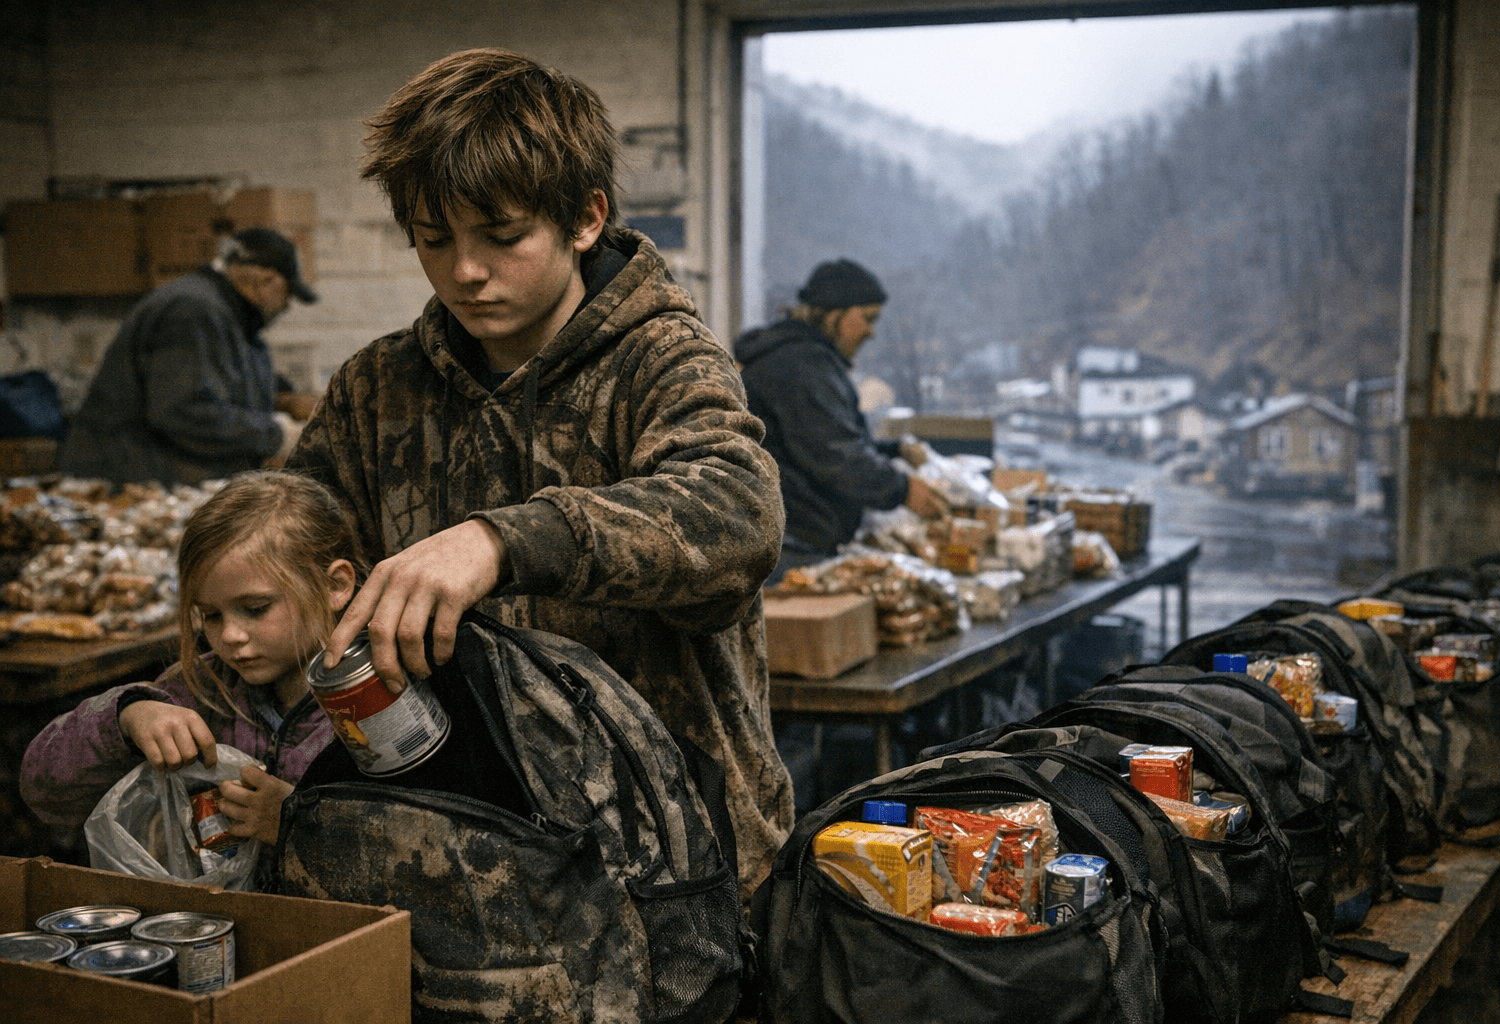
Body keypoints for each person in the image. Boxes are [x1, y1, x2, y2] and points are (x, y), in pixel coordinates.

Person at [284, 48, 793, 900]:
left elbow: (737, 513)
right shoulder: (376, 390)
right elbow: (284, 552)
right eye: (433, 239)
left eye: (503, 236)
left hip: (669, 863)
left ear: (585, 218)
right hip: (464, 855)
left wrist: (499, 541)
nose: (464, 271)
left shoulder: (661, 360)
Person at [20, 471, 362, 848]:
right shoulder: (202, 690)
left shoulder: (383, 701)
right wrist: (127, 717)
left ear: (334, 585)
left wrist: (300, 823)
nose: (230, 635)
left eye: (255, 608)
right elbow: (43, 791)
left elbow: (408, 843)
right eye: (211, 615)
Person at [735, 259, 949, 583]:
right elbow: (836, 457)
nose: (871, 332)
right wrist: (903, 490)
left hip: (795, 540)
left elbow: (825, 441)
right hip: (788, 546)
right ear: (834, 313)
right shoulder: (801, 366)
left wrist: (893, 451)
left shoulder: (806, 360)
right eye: (867, 318)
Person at [58, 227, 318, 486]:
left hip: (158, 475)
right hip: (127, 480)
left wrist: (284, 403)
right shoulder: (192, 310)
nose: (285, 306)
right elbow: (184, 412)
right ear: (265, 280)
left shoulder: (228, 313)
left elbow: (222, 387)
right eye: (287, 294)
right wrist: (278, 436)